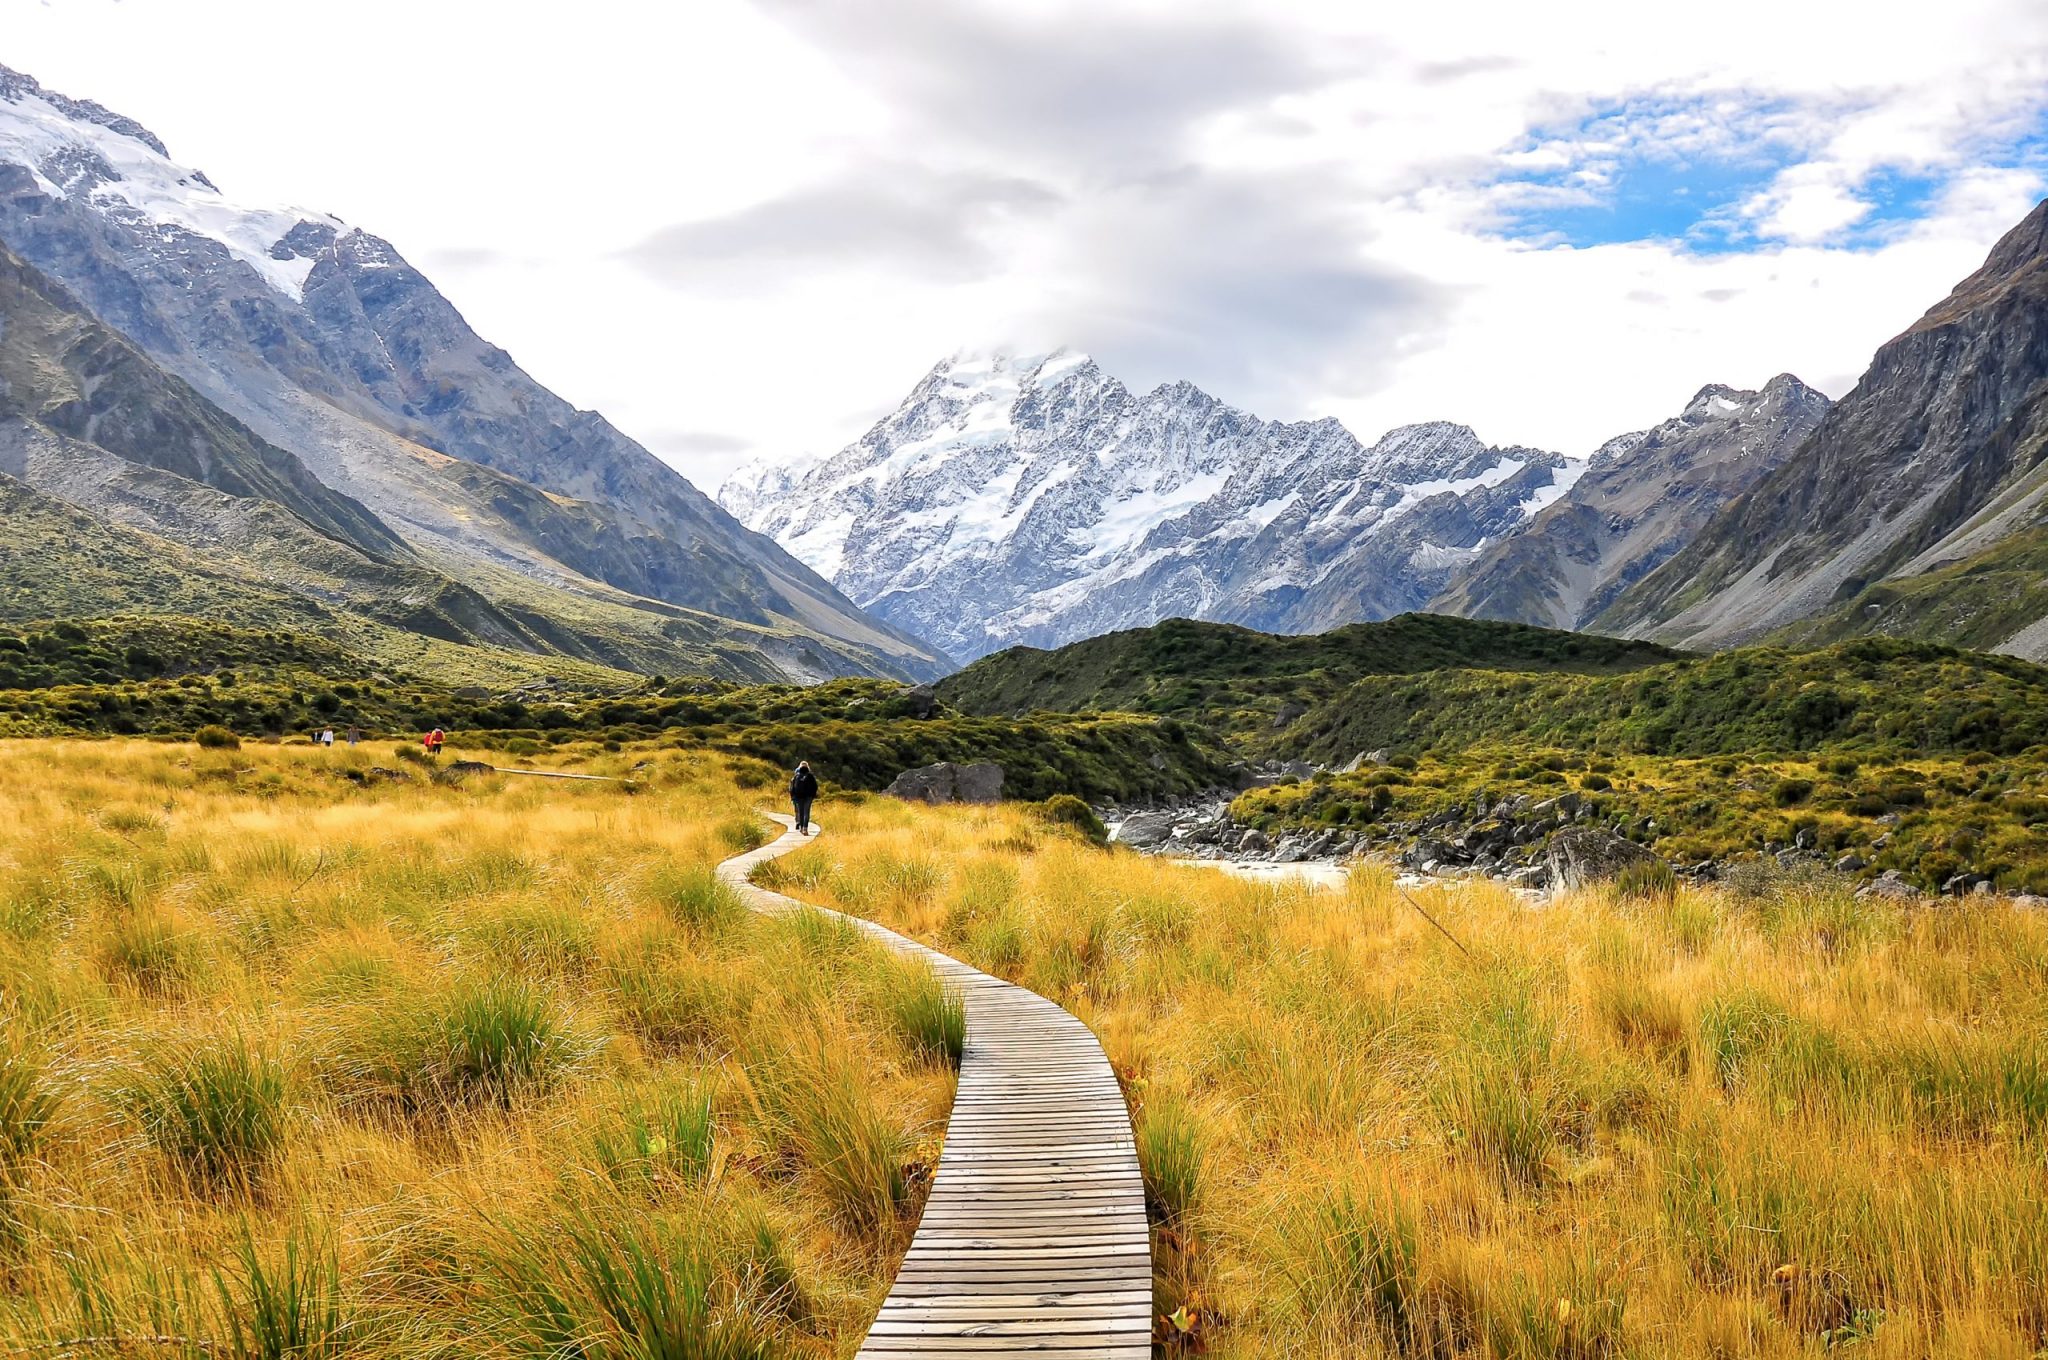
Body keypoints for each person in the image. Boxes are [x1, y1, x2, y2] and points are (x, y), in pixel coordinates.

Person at [789, 760, 819, 835]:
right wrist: (813, 795)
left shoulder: (796, 776)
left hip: (799, 797)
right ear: (808, 767)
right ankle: (805, 828)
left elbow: (792, 788)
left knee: (801, 813)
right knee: (806, 812)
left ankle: (801, 828)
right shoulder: (810, 776)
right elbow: (815, 786)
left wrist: (793, 796)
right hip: (808, 797)